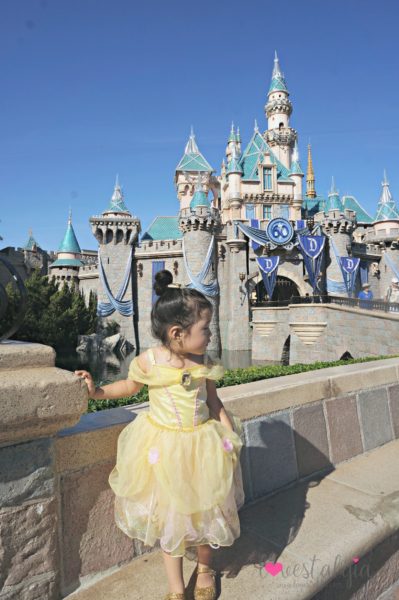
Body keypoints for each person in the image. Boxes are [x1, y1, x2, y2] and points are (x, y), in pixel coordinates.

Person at [75, 269, 244, 600]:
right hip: (162, 449)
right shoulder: (149, 361)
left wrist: (229, 437)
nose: (210, 334)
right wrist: (97, 393)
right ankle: (176, 587)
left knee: (209, 512)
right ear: (178, 333)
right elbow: (129, 386)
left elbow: (213, 402)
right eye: (205, 328)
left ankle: (206, 568)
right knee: (171, 519)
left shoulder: (202, 362)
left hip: (202, 446)